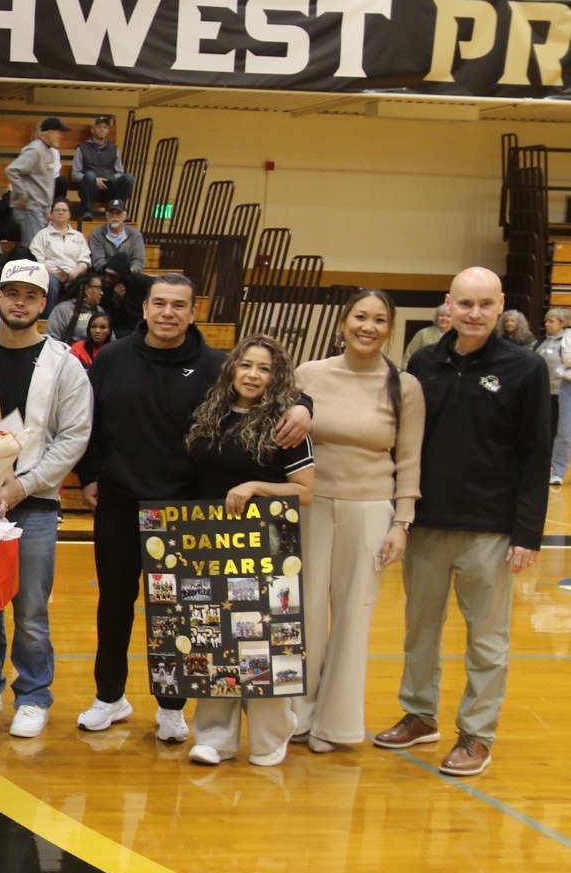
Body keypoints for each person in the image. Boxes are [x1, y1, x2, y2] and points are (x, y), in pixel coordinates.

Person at [77, 273, 309, 744]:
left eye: (178, 305)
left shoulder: (216, 366)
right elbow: (89, 421)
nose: (167, 313)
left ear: (192, 311)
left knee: (179, 615)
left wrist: (306, 405)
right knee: (114, 604)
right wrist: (88, 476)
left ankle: (171, 706)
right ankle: (109, 697)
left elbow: (268, 389)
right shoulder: (113, 358)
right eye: (159, 303)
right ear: (144, 309)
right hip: (120, 503)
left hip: (184, 510)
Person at [376, 267, 549, 778]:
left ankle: (476, 734)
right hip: (427, 521)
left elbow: (535, 455)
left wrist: (527, 533)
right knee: (420, 629)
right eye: (465, 304)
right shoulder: (424, 361)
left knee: (487, 640)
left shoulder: (526, 369)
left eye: (485, 305)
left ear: (500, 308)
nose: (474, 314)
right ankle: (419, 714)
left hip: (491, 530)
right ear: (448, 306)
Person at [0, 260, 93, 739]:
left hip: (34, 505)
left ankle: (33, 695)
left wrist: (22, 485)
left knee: (30, 605)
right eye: (11, 292)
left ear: (43, 303)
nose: (19, 302)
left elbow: (73, 437)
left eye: (30, 295)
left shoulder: (64, 364)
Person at [293, 289, 423, 752]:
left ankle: (336, 724)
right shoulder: (308, 374)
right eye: (360, 317)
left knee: (353, 617)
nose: (368, 327)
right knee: (304, 613)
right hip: (308, 507)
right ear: (343, 322)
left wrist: (401, 523)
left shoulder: (404, 386)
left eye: (379, 320)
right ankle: (297, 717)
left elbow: (409, 460)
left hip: (371, 511)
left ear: (389, 329)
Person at [181, 336, 316, 765]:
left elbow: (306, 491)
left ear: (276, 377)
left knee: (264, 642)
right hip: (213, 546)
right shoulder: (210, 414)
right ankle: (215, 735)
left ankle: (270, 734)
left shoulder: (287, 423)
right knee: (215, 638)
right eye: (246, 365)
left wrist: (255, 486)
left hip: (268, 548)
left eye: (264, 368)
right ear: (232, 368)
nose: (253, 375)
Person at [4, 118, 67, 244]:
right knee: (33, 249)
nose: (61, 136)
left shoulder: (48, 151)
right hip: (31, 208)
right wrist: (22, 194)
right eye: (58, 133)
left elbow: (46, 183)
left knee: (38, 248)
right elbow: (12, 170)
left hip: (40, 208)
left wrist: (48, 209)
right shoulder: (35, 150)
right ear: (49, 133)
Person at [71, 115, 133, 219]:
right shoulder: (82, 148)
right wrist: (94, 180)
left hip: (109, 189)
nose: (102, 129)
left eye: (105, 127)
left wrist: (110, 180)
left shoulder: (114, 149)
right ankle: (86, 213)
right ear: (93, 129)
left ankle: (118, 211)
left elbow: (120, 172)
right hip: (90, 189)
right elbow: (75, 174)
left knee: (128, 178)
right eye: (99, 126)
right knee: (89, 175)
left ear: (108, 131)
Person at [29, 201, 88, 302]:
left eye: (64, 210)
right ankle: (48, 316)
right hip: (50, 274)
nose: (61, 212)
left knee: (88, 283)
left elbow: (85, 260)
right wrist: (55, 273)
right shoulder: (42, 235)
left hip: (74, 274)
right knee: (51, 283)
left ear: (69, 214)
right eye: (57, 210)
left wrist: (74, 273)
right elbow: (36, 260)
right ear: (51, 214)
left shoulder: (78, 236)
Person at [540, 308, 571, 485]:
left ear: (562, 322)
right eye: (547, 321)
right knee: (561, 432)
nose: (547, 324)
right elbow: (567, 359)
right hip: (557, 388)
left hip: (562, 386)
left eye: (551, 321)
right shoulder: (545, 341)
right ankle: (557, 471)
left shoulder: (567, 337)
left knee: (565, 432)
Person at [87, 200, 145, 281]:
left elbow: (138, 260)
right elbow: (98, 261)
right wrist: (113, 274)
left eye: (118, 213)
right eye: (111, 213)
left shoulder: (135, 235)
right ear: (106, 215)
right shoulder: (96, 234)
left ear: (125, 215)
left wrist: (129, 272)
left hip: (129, 275)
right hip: (104, 276)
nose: (115, 216)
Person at [45, 274, 105, 345]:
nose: (101, 293)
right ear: (87, 289)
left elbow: (110, 338)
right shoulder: (63, 310)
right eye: (98, 288)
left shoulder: (100, 311)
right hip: (69, 353)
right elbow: (52, 339)